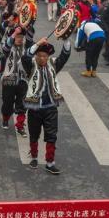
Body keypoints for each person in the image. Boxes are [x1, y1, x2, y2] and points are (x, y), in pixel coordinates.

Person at [21, 36, 71, 175]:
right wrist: (38, 44)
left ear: (48, 56)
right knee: (34, 134)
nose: (43, 58)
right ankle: (35, 157)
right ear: (36, 55)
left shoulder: (53, 64)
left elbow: (65, 56)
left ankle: (50, 162)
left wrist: (66, 40)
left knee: (51, 135)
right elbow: (25, 56)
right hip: (34, 108)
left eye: (45, 56)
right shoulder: (30, 65)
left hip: (50, 108)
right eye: (40, 56)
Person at [0, 26, 29, 136]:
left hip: (23, 79)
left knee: (22, 104)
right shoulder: (8, 47)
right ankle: (5, 119)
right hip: (9, 79)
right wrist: (14, 33)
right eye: (17, 36)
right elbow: (5, 48)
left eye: (21, 36)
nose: (19, 39)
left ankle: (20, 126)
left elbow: (33, 45)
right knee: (7, 103)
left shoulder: (26, 48)